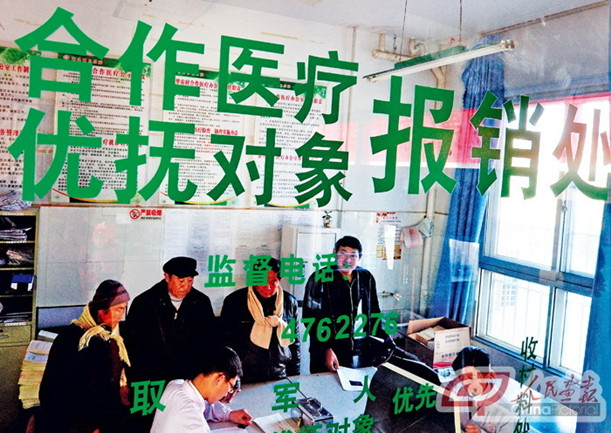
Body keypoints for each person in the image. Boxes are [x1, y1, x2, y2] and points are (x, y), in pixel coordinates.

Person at [124, 256, 218, 433]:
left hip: (186, 382)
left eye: (190, 281)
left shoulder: (200, 302)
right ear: (167, 277)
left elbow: (211, 343)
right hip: (151, 381)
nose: (186, 287)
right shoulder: (144, 303)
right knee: (146, 425)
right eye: (181, 281)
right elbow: (132, 348)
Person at [36, 280, 131, 433]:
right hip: (73, 422)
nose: (121, 316)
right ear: (102, 310)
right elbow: (71, 390)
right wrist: (92, 426)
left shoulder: (108, 338)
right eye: (119, 309)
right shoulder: (81, 340)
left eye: (124, 309)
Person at [303, 235, 386, 373]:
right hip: (326, 351)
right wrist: (326, 348)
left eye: (353, 255)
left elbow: (374, 313)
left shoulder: (366, 277)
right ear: (334, 253)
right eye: (343, 254)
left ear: (360, 257)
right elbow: (310, 318)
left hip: (358, 350)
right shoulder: (319, 278)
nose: (347, 260)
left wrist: (382, 340)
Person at [220, 257, 300, 383]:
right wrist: (232, 379)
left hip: (279, 373)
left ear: (279, 280)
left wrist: (295, 376)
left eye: (273, 282)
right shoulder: (235, 301)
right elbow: (226, 345)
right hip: (245, 375)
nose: (268, 287)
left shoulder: (290, 302)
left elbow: (295, 344)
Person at [151, 346, 252, 433]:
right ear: (220, 379)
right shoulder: (197, 427)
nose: (226, 394)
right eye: (230, 387)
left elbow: (204, 406)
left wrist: (228, 414)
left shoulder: (175, 385)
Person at [451, 346, 518, 433]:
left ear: (487, 376)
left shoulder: (508, 413)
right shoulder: (458, 391)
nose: (465, 382)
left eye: (470, 377)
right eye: (461, 377)